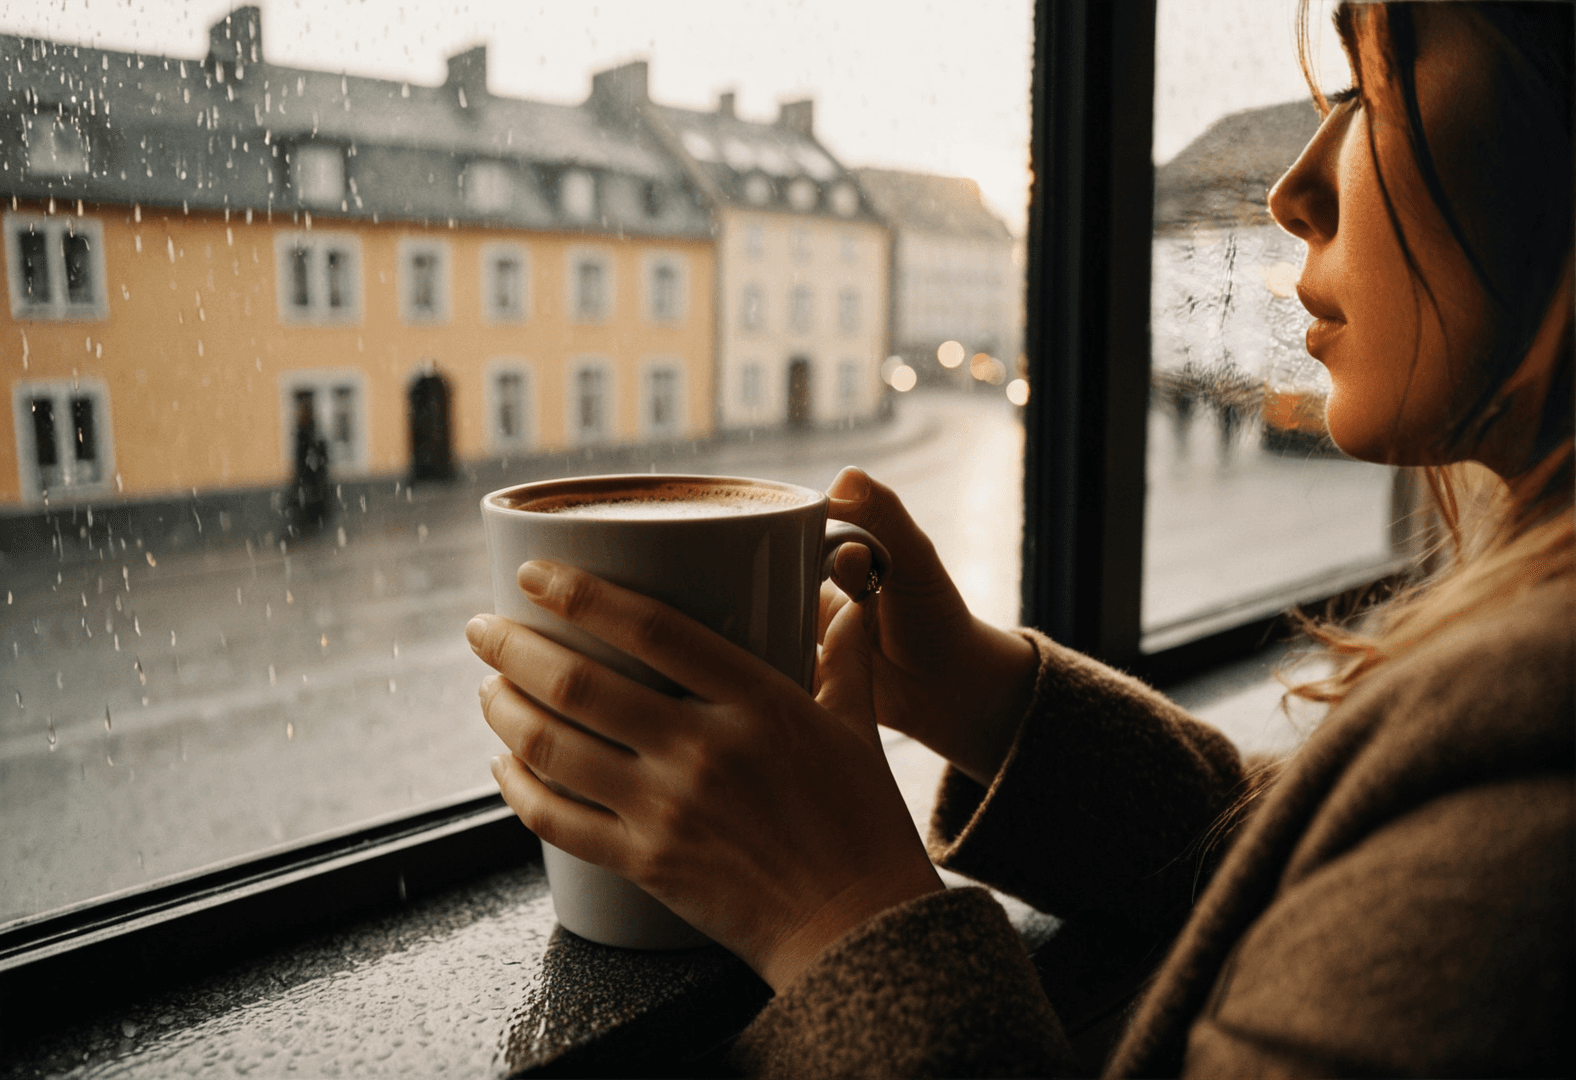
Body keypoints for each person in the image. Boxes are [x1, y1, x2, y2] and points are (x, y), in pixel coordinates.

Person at [465, 2, 1573, 1074]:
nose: (1293, 190)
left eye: (1369, 82)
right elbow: (1311, 870)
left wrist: (839, 916)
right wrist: (974, 692)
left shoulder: (1523, 809)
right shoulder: (1511, 722)